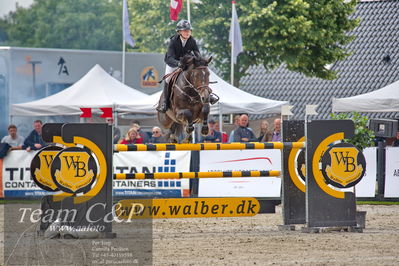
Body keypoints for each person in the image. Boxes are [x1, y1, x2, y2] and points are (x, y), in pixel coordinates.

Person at [157, 19, 218, 113]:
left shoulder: (192, 40)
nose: (187, 32)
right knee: (168, 80)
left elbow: (197, 53)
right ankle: (165, 102)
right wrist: (178, 64)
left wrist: (200, 61)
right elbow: (169, 57)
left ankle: (208, 95)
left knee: (201, 74)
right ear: (179, 32)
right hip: (173, 63)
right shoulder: (173, 41)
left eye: (189, 30)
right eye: (185, 31)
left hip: (187, 63)